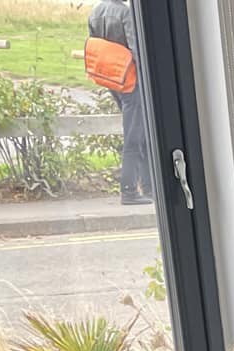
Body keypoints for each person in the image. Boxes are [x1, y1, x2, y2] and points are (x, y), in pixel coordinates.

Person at [87, 0, 150, 205]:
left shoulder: (96, 11)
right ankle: (129, 190)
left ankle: (149, 186)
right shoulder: (125, 13)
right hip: (132, 81)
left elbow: (95, 47)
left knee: (139, 131)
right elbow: (137, 51)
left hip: (113, 79)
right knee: (135, 135)